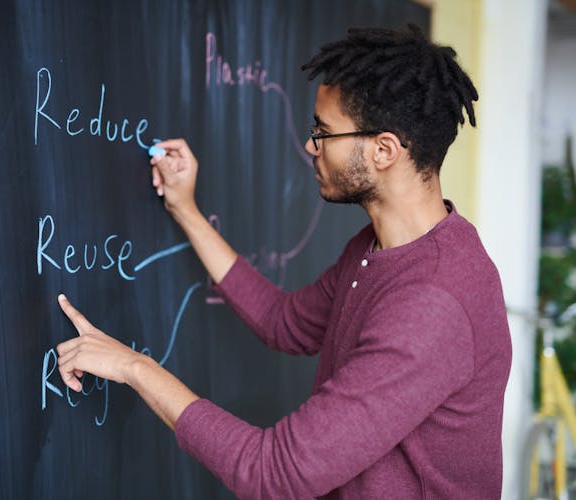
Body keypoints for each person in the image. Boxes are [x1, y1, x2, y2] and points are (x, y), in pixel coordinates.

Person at [54, 24, 512, 499]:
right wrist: (184, 210)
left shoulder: (432, 304)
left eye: (323, 132)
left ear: (384, 150)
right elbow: (284, 322)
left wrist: (133, 366)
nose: (311, 147)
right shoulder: (376, 248)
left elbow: (275, 474)